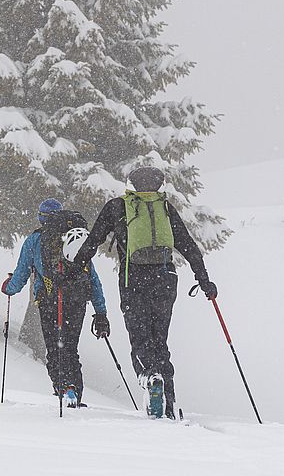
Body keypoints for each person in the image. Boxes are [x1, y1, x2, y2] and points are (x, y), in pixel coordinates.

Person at [73, 166, 217, 419]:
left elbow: (93, 241)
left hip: (133, 279)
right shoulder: (165, 208)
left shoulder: (117, 207)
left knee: (140, 338)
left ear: (130, 185)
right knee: (160, 340)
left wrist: (74, 267)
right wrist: (204, 280)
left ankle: (150, 377)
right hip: (165, 278)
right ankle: (169, 401)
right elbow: (188, 246)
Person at [2, 198, 110, 408]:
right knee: (70, 348)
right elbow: (93, 278)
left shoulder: (35, 240)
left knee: (54, 349)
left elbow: (21, 274)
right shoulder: (77, 239)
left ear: (41, 217)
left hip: (49, 301)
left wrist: (8, 288)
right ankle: (74, 392)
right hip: (77, 301)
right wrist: (101, 312)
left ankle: (64, 389)